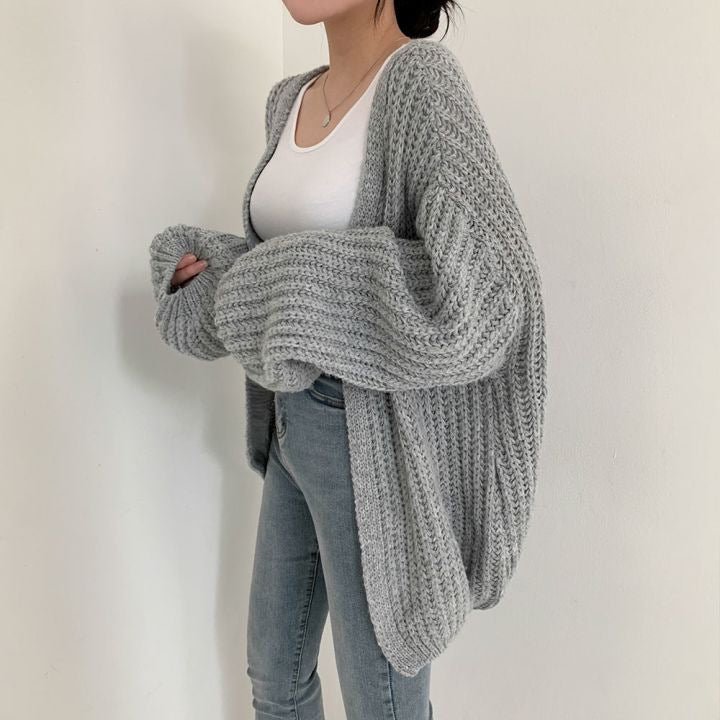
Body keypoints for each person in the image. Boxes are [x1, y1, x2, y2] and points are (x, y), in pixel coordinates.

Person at [148, 1, 547, 718]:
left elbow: (487, 290)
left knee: (380, 704)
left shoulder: (420, 84)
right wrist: (214, 274)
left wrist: (290, 282)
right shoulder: (289, 100)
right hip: (288, 422)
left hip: (365, 433)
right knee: (274, 678)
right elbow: (287, 267)